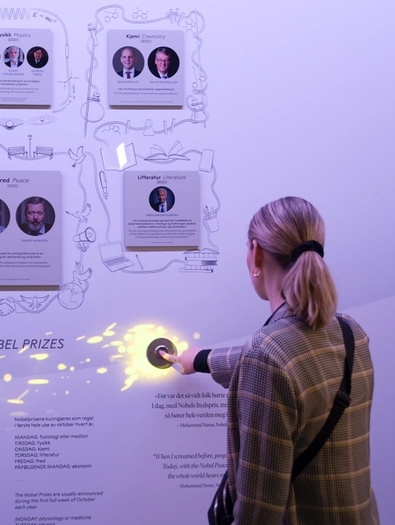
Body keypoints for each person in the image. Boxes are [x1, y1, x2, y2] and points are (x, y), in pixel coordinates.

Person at [162, 197, 378, 524]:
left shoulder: (269, 356)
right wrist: (201, 359)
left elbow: (258, 514)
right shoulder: (351, 333)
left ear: (256, 253)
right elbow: (289, 363)